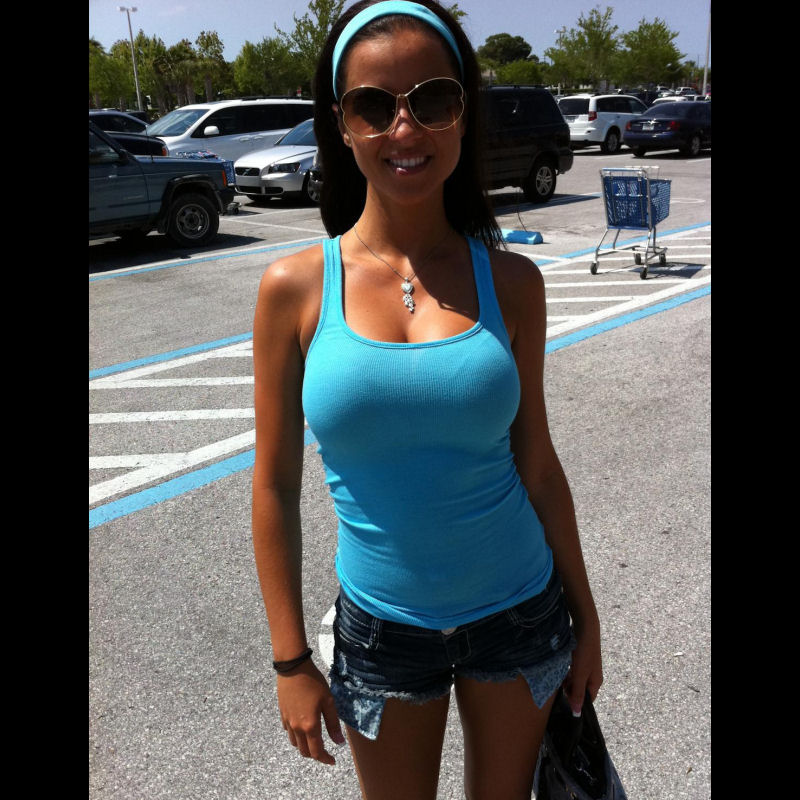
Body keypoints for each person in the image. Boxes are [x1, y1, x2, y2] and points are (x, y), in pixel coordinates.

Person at [251, 2, 603, 798]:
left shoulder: (513, 282)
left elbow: (538, 466)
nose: (404, 128)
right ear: (341, 125)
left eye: (432, 100)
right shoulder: (294, 289)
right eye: (373, 106)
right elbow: (273, 484)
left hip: (521, 614)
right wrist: (290, 659)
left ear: (463, 114)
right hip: (381, 632)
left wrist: (586, 619)